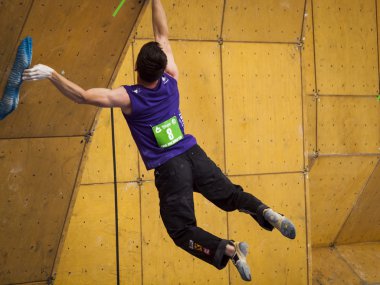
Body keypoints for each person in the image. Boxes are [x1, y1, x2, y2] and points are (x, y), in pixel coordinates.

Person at [22, 0, 296, 281]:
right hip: (194, 154)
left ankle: (228, 250)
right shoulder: (171, 76)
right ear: (161, 66)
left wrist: (51, 74)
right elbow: (161, 34)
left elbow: (82, 96)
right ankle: (266, 211)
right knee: (231, 196)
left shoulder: (128, 97)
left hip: (171, 169)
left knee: (181, 229)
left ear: (137, 69)